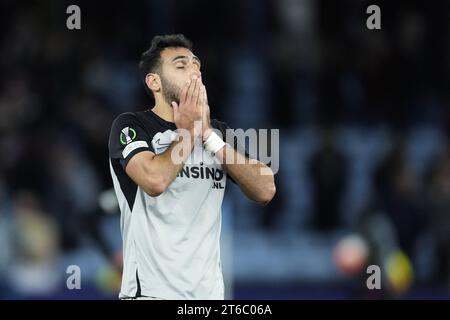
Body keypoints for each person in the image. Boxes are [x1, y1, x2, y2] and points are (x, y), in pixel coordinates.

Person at [108, 34, 276, 300]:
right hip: (150, 295)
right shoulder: (132, 126)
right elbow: (155, 181)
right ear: (154, 82)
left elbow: (265, 189)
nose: (194, 72)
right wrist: (187, 133)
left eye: (196, 65)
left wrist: (207, 136)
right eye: (181, 65)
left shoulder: (218, 134)